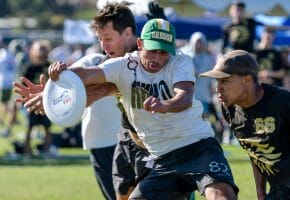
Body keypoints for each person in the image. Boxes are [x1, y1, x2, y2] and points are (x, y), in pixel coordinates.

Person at [47, 18, 238, 200]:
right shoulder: (124, 65)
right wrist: (62, 74)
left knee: (221, 195)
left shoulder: (180, 61)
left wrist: (164, 105)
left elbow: (185, 97)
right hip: (164, 160)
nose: (157, 58)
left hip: (199, 149)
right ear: (140, 44)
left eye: (163, 52)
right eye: (152, 50)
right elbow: (88, 75)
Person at [13, 2, 160, 200]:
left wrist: (55, 95)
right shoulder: (107, 61)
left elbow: (103, 88)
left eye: (107, 38)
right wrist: (54, 93)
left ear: (127, 33)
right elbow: (97, 84)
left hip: (163, 144)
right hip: (127, 142)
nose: (103, 45)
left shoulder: (148, 59)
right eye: (100, 39)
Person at [200, 49, 290, 200]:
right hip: (280, 191)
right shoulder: (229, 108)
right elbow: (255, 152)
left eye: (224, 81)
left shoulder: (284, 103)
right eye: (217, 81)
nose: (217, 87)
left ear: (247, 80)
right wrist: (260, 194)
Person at [21, 40, 52, 156]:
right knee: (29, 127)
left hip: (47, 103)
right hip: (33, 102)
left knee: (47, 128)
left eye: (43, 49)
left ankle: (46, 151)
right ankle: (26, 152)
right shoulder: (30, 67)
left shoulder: (50, 66)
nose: (41, 52)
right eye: (39, 49)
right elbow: (24, 85)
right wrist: (24, 99)